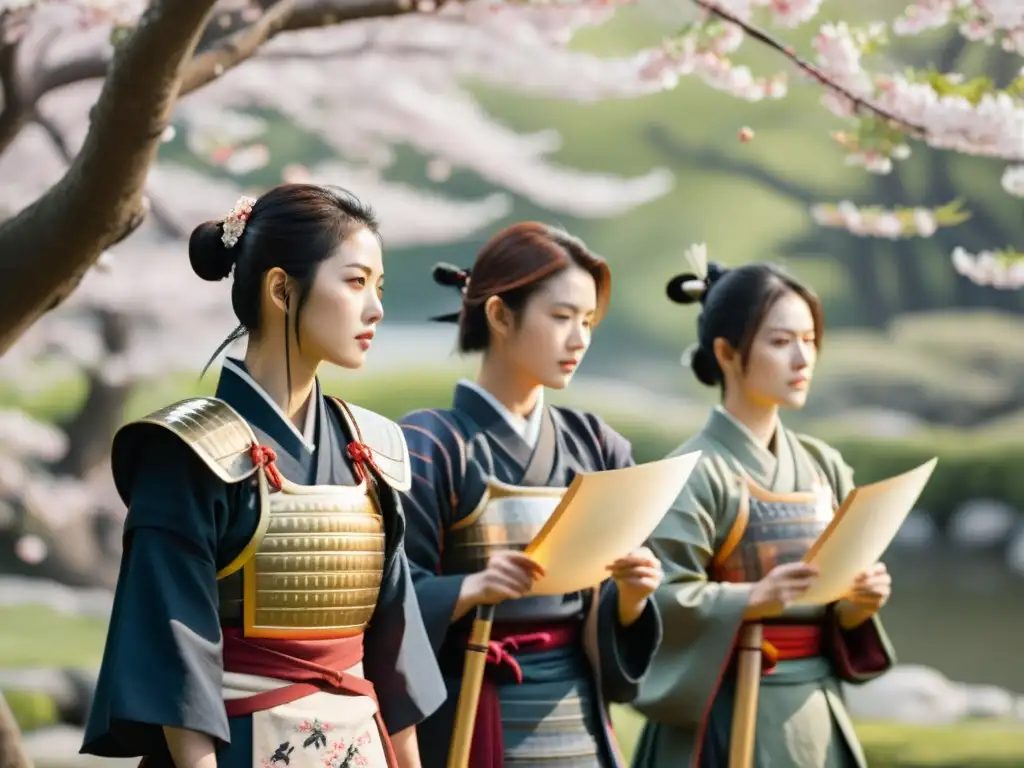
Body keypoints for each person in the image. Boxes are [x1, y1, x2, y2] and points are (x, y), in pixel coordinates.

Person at [81, 184, 446, 768]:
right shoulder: (187, 454)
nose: (375, 308)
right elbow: (175, 655)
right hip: (240, 748)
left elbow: (395, 650)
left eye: (377, 287)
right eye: (355, 283)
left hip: (362, 743)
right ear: (282, 288)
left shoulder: (371, 451)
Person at [397, 221, 664, 768]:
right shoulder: (428, 446)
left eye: (587, 321)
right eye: (562, 317)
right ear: (499, 315)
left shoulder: (597, 445)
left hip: (577, 709)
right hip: (470, 705)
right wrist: (468, 588)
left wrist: (634, 599)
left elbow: (608, 607)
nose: (580, 339)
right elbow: (390, 598)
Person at [631, 254, 895, 768]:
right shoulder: (689, 472)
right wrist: (749, 599)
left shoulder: (825, 466)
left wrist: (857, 605)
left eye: (810, 340)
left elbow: (838, 610)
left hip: (815, 709)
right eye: (780, 342)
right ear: (727, 352)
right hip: (725, 714)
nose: (802, 359)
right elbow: (655, 603)